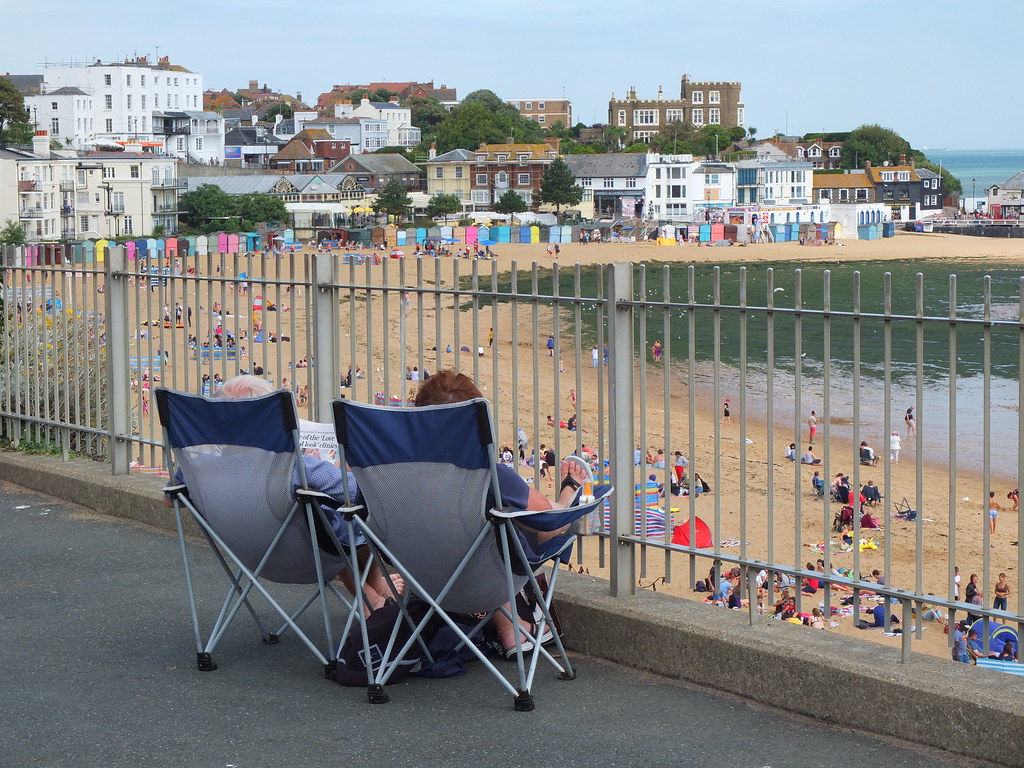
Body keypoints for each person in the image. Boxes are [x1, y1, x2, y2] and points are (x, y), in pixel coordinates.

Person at [162, 375, 402, 614]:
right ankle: (372, 599)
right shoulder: (296, 468)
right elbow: (359, 492)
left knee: (321, 520)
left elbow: (169, 500)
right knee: (340, 521)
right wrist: (346, 467)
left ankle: (374, 590)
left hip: (252, 559)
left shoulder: (198, 469)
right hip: (309, 558)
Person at [413, 370, 590, 656]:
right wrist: (567, 496)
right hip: (478, 583)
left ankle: (512, 626)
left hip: (419, 579)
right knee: (522, 526)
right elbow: (547, 515)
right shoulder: (489, 476)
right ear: (477, 424)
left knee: (483, 529)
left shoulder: (394, 476)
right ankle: (515, 629)